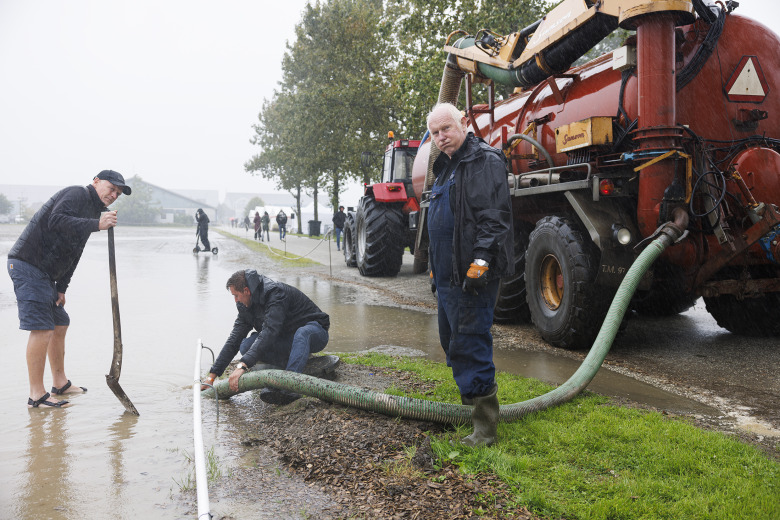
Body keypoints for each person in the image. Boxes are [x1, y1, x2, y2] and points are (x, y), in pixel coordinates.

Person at [426, 102, 513, 446]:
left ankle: (484, 429)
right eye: (435, 133)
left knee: (470, 343)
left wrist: (480, 264)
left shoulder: (483, 161)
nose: (441, 137)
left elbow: (494, 218)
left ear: (463, 123)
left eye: (446, 128)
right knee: (451, 342)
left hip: (470, 276)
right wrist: (434, 269)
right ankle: (469, 410)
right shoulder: (445, 166)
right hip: (446, 277)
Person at [7, 170, 132, 409]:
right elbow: (55, 220)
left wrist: (62, 287)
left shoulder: (93, 211)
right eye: (111, 188)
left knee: (60, 323)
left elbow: (75, 252)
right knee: (42, 328)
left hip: (47, 275)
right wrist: (97, 224)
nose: (114, 195)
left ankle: (60, 383)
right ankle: (36, 396)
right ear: (96, 182)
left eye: (118, 193)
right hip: (28, 264)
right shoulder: (76, 194)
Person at [201, 269, 330, 404]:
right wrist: (211, 377)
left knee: (302, 333)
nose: (235, 300)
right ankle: (289, 364)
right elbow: (234, 340)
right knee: (245, 345)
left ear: (246, 291)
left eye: (236, 296)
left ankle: (290, 387)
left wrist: (242, 366)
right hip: (287, 338)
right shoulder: (245, 306)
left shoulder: (276, 294)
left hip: (315, 332)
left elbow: (270, 331)